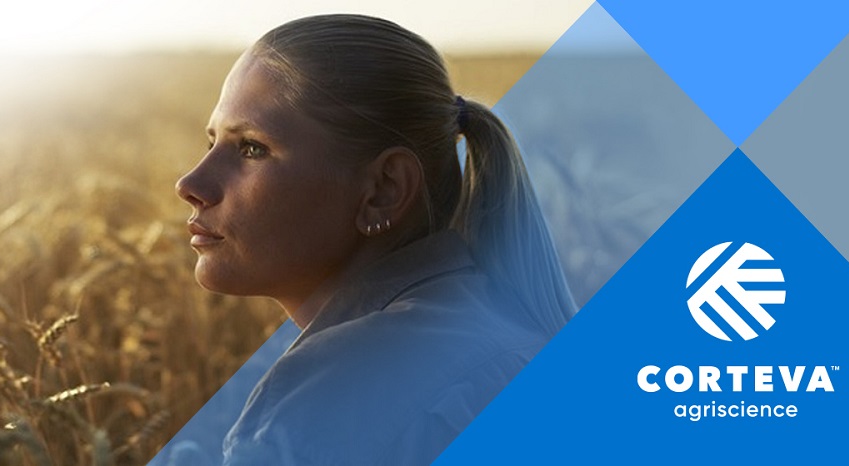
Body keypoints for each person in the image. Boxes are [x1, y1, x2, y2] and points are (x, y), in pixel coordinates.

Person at [175, 14, 575, 466]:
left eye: (252, 148)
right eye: (211, 143)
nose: (190, 183)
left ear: (385, 189)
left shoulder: (326, 404)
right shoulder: (511, 331)